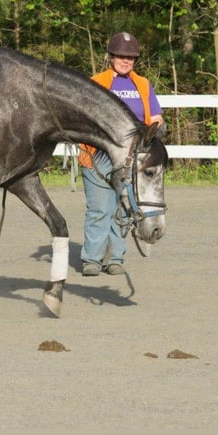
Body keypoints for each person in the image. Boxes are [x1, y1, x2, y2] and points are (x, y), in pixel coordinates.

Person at [79, 31, 164, 276]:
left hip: (133, 159)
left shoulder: (143, 85)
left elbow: (155, 117)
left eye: (131, 57)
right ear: (111, 57)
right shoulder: (96, 82)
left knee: (123, 208)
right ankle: (92, 259)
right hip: (98, 155)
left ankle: (115, 257)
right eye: (120, 56)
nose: (126, 61)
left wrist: (157, 128)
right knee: (99, 208)